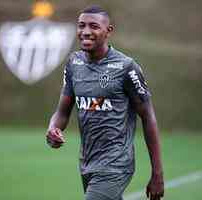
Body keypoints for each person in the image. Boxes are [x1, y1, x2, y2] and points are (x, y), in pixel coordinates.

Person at [46, 5, 164, 200]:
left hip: (116, 164)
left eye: (94, 26)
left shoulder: (126, 67)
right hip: (87, 162)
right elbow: (63, 111)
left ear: (108, 31)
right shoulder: (74, 64)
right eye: (81, 25)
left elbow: (148, 116)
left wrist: (157, 173)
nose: (85, 32)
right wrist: (53, 129)